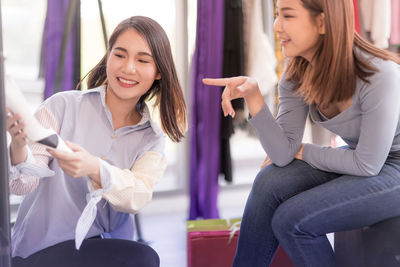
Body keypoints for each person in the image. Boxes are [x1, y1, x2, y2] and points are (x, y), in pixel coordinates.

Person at [203, 0, 400, 266]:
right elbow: (282, 155)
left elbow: (366, 163)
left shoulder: (380, 74)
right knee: (268, 180)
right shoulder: (297, 74)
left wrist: (303, 150)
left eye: (287, 16)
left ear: (321, 22)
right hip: (370, 158)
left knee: (292, 221)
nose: (276, 27)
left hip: (387, 165)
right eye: (276, 15)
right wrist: (254, 97)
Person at [6, 16, 187, 267]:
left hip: (98, 247)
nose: (128, 68)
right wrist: (18, 146)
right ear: (108, 57)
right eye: (120, 55)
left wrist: (94, 168)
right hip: (38, 251)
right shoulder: (61, 106)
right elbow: (20, 185)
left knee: (145, 258)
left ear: (158, 72)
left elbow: (138, 195)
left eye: (143, 60)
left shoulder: (151, 140)